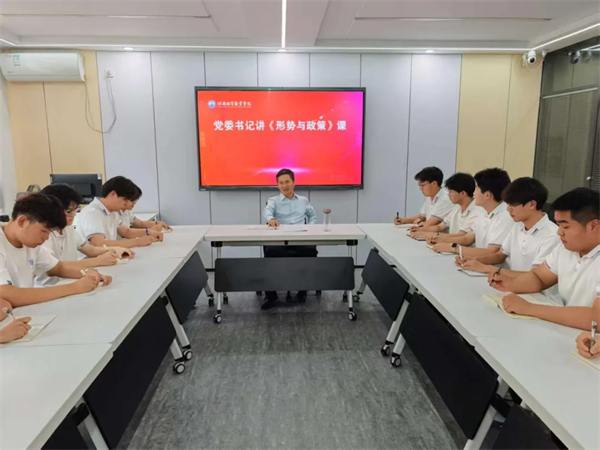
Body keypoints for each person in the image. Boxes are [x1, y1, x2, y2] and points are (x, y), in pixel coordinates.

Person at [491, 188, 600, 330]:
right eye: (558, 225)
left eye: (565, 226)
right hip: (570, 330)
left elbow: (596, 318)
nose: (559, 232)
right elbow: (539, 277)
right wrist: (511, 284)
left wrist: (529, 308)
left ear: (593, 226)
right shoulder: (565, 249)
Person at [0, 194, 112, 307]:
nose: (46, 238)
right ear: (22, 221)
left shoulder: (30, 244)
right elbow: (8, 294)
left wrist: (87, 273)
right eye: (44, 231)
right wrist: (74, 287)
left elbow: (58, 268)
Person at [459, 178, 560, 279]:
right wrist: (473, 260)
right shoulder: (517, 226)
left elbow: (535, 276)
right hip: (512, 282)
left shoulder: (552, 235)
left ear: (532, 204)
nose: (508, 209)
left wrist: (487, 268)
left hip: (532, 288)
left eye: (513, 204)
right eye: (508, 204)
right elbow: (500, 255)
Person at [36, 184, 133, 286]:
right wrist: (98, 261)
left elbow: (89, 249)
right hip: (51, 286)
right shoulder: (44, 235)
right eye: (68, 211)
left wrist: (113, 249)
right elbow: (55, 268)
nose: (73, 215)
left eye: (75, 210)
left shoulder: (68, 228)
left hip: (71, 280)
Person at [262, 168, 317, 309]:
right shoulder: (273, 201)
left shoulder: (303, 200)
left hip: (300, 238)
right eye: (281, 183)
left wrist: (310, 228)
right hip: (280, 239)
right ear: (277, 185)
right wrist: (271, 219)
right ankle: (271, 296)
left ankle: (302, 291)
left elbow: (312, 215)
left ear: (293, 182)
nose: (284, 186)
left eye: (287, 182)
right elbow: (267, 211)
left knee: (310, 251)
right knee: (270, 253)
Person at [430, 167, 512, 258]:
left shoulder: (505, 216)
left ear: (487, 195)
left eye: (476, 188)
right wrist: (439, 238)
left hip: (491, 265)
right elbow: (467, 238)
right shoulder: (482, 211)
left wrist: (454, 248)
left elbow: (491, 252)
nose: (473, 192)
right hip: (479, 262)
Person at [74, 176, 162, 248]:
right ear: (113, 194)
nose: (126, 205)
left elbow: (126, 232)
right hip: (92, 260)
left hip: (109, 256)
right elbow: (100, 243)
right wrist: (137, 242)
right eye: (125, 201)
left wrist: (149, 232)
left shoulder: (113, 211)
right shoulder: (92, 213)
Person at [410, 172, 482, 240]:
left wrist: (431, 235)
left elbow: (462, 236)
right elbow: (439, 227)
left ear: (463, 193)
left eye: (451, 192)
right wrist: (420, 229)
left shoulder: (476, 211)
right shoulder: (456, 208)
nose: (448, 194)